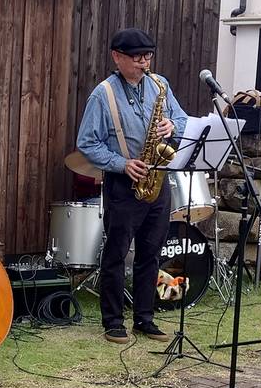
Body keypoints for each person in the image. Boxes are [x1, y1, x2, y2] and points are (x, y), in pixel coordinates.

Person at [76, 28, 188, 344]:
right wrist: (122, 164)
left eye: (148, 56)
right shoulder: (103, 94)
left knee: (151, 253)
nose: (144, 63)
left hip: (158, 179)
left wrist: (171, 126)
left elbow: (181, 120)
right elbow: (87, 143)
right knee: (116, 253)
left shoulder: (159, 85)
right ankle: (112, 320)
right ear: (117, 56)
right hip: (124, 183)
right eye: (137, 57)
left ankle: (144, 317)